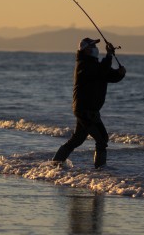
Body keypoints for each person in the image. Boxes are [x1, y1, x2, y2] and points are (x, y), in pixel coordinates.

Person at [52, 37, 126, 168]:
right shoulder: (83, 65)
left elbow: (109, 75)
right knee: (102, 139)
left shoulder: (95, 65)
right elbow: (101, 71)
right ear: (86, 50)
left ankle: (55, 164)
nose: (96, 49)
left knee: (77, 139)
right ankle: (100, 171)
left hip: (89, 110)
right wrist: (109, 55)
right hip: (85, 110)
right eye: (93, 47)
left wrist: (120, 74)